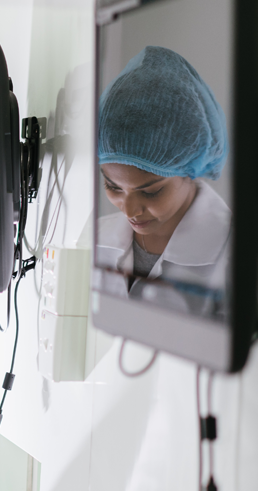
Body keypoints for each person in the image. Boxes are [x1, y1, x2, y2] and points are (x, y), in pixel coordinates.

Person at [95, 45, 231, 318]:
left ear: (189, 168)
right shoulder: (95, 235)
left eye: (151, 192)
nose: (130, 210)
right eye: (113, 187)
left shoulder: (234, 255)